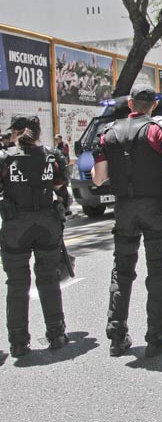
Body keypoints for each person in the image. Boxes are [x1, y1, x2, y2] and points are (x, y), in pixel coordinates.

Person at [92, 83, 162, 357]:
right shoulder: (156, 130)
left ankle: (116, 336)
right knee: (158, 272)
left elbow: (99, 178)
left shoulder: (107, 132)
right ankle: (156, 336)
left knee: (121, 272)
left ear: (130, 104)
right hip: (155, 208)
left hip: (123, 209)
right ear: (154, 105)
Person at [0, 115, 70, 357]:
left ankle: (19, 342)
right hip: (46, 224)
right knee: (49, 280)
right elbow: (62, 190)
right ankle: (57, 334)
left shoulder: (5, 159)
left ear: (17, 133)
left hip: (16, 226)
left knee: (17, 284)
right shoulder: (52, 157)